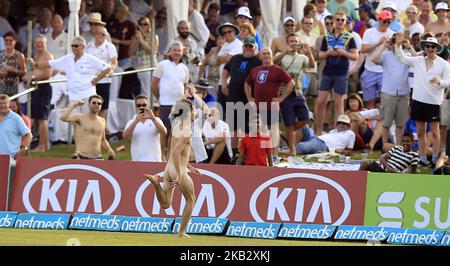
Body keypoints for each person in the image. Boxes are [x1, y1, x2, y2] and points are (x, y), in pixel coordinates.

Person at [144, 97, 201, 239]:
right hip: (177, 170)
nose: (195, 114)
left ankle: (156, 182)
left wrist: (190, 167)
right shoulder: (187, 132)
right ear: (188, 113)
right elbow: (176, 153)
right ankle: (181, 232)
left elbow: (178, 153)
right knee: (191, 199)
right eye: (193, 111)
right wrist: (181, 175)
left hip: (168, 169)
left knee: (165, 204)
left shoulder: (176, 126)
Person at [395, 33, 450, 167]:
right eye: (428, 46)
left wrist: (440, 82)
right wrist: (397, 45)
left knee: (435, 132)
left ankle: (435, 157)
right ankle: (423, 157)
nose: (430, 49)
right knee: (420, 131)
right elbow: (401, 58)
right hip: (418, 101)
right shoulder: (418, 60)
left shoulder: (443, 64)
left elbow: (448, 81)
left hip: (434, 101)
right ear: (425, 48)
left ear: (437, 48)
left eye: (433, 46)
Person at [29, 36, 111, 114]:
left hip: (87, 95)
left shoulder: (90, 58)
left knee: (87, 123)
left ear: (83, 47)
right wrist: (35, 64)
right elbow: (51, 63)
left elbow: (107, 68)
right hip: (73, 97)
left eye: (76, 46)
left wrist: (96, 80)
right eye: (72, 46)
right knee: (74, 124)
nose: (73, 48)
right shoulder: (68, 58)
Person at [245, 47, 295, 157]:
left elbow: (291, 83)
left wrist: (281, 98)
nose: (267, 55)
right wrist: (249, 98)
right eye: (264, 54)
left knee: (274, 130)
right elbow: (247, 84)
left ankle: (275, 155)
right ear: (260, 56)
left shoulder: (277, 69)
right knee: (262, 131)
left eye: (268, 53)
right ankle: (264, 156)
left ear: (272, 55)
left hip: (272, 105)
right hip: (259, 105)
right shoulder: (255, 70)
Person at [315, 12, 358, 135]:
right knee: (320, 102)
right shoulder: (327, 36)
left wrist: (344, 53)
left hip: (341, 73)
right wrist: (328, 53)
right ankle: (318, 131)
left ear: (345, 22)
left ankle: (339, 133)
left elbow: (355, 56)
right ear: (334, 21)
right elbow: (319, 55)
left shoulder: (349, 37)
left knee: (338, 103)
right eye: (338, 19)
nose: (340, 22)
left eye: (342, 20)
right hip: (327, 72)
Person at [152, 41, 190, 160]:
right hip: (165, 104)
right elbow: (154, 84)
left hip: (178, 105)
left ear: (182, 52)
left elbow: (185, 86)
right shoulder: (162, 65)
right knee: (164, 132)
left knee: (175, 133)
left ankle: (169, 157)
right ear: (170, 51)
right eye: (175, 50)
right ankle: (161, 156)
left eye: (179, 50)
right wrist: (159, 98)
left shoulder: (184, 68)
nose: (177, 52)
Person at [60, 94, 115, 160]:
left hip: (98, 158)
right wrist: (74, 105)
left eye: (99, 103)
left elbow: (102, 139)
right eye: (94, 103)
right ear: (88, 105)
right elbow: (63, 117)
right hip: (81, 157)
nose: (96, 105)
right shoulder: (80, 118)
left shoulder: (102, 120)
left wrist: (109, 149)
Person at [360, 10, 395, 109]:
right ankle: (371, 124)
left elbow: (396, 53)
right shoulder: (369, 32)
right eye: (384, 21)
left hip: (385, 72)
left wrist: (389, 46)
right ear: (379, 20)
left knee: (384, 102)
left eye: (389, 22)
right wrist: (378, 43)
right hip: (369, 70)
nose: (386, 24)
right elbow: (363, 49)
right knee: (368, 101)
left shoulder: (393, 34)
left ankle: (381, 123)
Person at [26, 35, 54, 152]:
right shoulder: (37, 56)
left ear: (46, 43)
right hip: (36, 88)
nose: (39, 45)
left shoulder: (48, 56)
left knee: (42, 119)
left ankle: (42, 146)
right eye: (37, 43)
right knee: (35, 118)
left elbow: (48, 74)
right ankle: (37, 144)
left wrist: (31, 77)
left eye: (41, 43)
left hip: (44, 88)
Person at [86, 25, 118, 124]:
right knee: (91, 106)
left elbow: (114, 62)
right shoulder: (89, 45)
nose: (101, 36)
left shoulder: (110, 46)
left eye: (103, 34)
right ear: (95, 34)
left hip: (104, 80)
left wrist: (112, 69)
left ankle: (102, 134)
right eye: (99, 33)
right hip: (91, 80)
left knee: (103, 108)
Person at [122, 95, 167, 162]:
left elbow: (164, 132)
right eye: (139, 105)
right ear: (135, 107)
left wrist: (153, 119)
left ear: (148, 106)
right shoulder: (131, 122)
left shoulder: (156, 120)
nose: (141, 107)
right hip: (137, 161)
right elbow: (125, 137)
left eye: (144, 105)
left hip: (155, 161)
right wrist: (135, 122)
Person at [129, 16, 158, 98]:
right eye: (141, 24)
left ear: (149, 26)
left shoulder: (153, 36)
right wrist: (136, 40)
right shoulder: (136, 36)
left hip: (149, 68)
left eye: (145, 24)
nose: (143, 26)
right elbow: (130, 52)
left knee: (147, 92)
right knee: (139, 92)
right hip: (137, 68)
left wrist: (141, 40)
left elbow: (152, 51)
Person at [0, 94, 32, 158]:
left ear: (9, 104)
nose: (2, 105)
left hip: (10, 158)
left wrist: (24, 149)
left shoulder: (16, 118)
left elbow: (28, 135)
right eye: (0, 103)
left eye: (5, 103)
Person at [0, 31, 25, 96]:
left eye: (10, 40)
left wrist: (14, 70)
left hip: (13, 89)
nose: (8, 42)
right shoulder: (0, 54)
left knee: (12, 105)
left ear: (15, 41)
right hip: (1, 88)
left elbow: (24, 72)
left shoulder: (19, 55)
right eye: (6, 40)